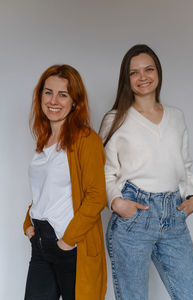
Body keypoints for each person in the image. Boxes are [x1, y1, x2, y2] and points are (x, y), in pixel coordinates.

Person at [99, 44, 193, 300]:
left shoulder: (176, 117)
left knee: (191, 293)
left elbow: (185, 166)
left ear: (158, 72)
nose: (142, 77)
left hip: (173, 215)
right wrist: (117, 203)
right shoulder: (115, 119)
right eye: (134, 72)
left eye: (148, 69)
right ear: (126, 78)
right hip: (134, 219)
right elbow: (104, 172)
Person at [23, 64, 107, 300]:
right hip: (40, 242)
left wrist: (68, 241)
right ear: (40, 97)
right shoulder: (43, 140)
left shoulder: (87, 140)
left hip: (71, 245)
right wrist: (27, 223)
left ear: (74, 101)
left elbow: (96, 196)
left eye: (63, 94)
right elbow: (43, 192)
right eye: (48, 92)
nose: (54, 100)